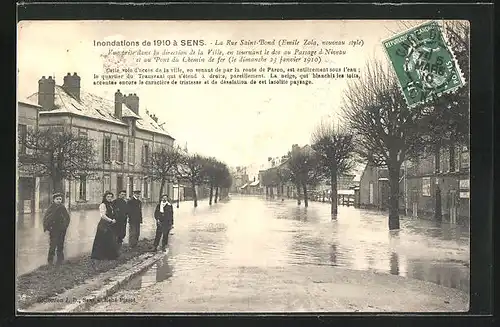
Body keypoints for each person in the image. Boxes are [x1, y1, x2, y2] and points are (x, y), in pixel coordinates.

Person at [43, 193, 70, 265]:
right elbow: (46, 218)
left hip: (62, 229)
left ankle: (60, 260)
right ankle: (50, 260)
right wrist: (48, 227)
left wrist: (65, 226)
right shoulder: (51, 208)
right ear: (54, 200)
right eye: (57, 199)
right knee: (53, 244)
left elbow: (67, 217)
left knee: (60, 244)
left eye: (60, 199)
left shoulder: (62, 207)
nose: (59, 200)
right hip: (53, 229)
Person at [91, 191, 119, 260]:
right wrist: (111, 220)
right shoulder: (103, 205)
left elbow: (113, 213)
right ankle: (99, 256)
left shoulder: (111, 205)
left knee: (110, 239)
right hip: (104, 225)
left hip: (110, 224)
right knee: (102, 240)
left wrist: (114, 219)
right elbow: (103, 215)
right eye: (108, 197)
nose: (109, 198)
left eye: (111, 197)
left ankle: (109, 255)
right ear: (105, 197)